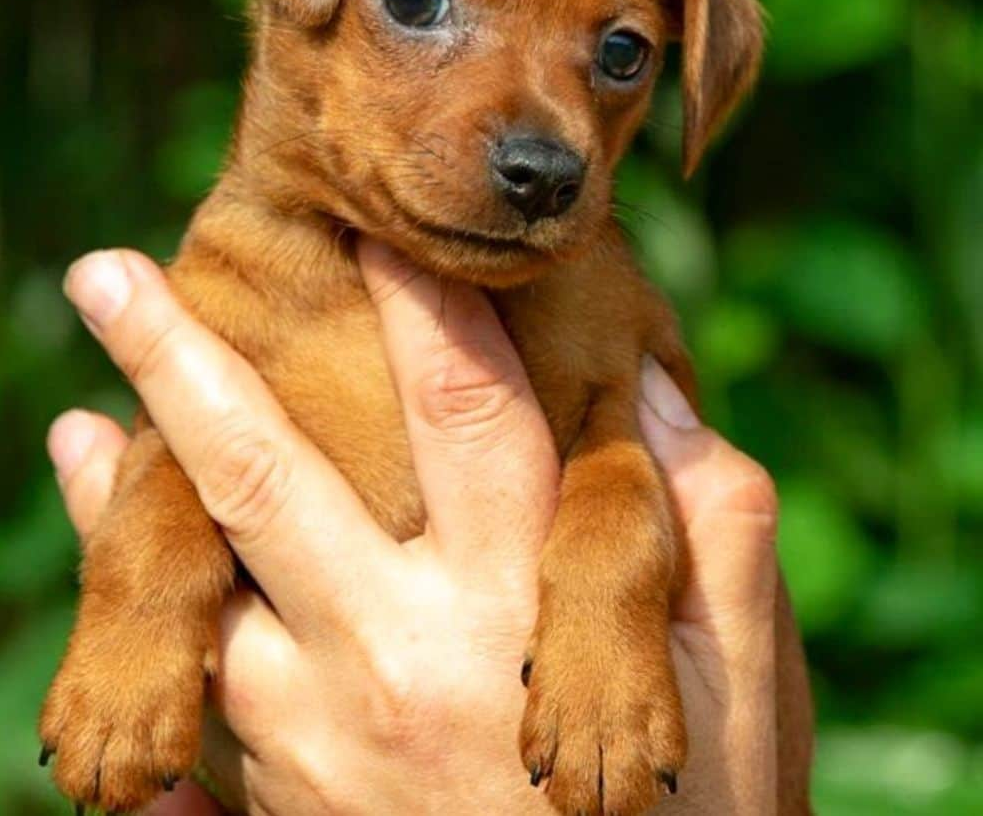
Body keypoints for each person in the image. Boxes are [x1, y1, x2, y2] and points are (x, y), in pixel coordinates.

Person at [49, 239, 784, 815]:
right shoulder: (233, 277)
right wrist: (143, 579)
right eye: (418, 30)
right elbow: (184, 462)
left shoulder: (589, 296)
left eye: (619, 55)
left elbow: (637, 468)